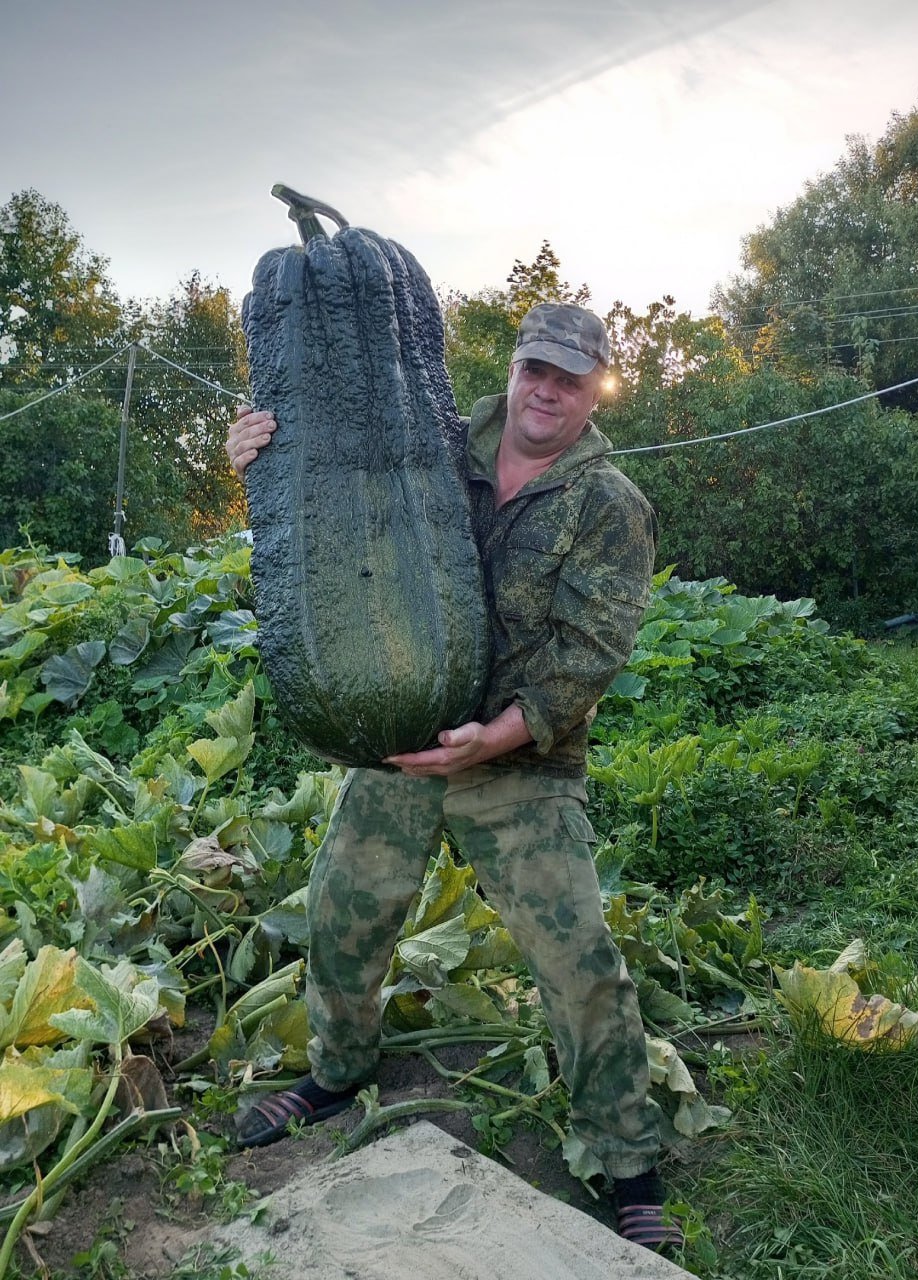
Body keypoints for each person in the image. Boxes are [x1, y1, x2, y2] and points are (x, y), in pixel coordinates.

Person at [225, 302, 682, 1256]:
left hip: (521, 759)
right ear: (514, 370)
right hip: (403, 733)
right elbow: (329, 521)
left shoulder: (612, 504)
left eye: (570, 378)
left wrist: (494, 739)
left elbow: (588, 656)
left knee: (578, 962)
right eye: (535, 371)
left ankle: (629, 1158)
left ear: (596, 389)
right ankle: (338, 1072)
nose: (547, 391)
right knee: (340, 914)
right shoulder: (429, 437)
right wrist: (263, 464)